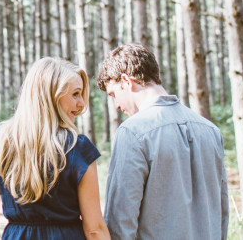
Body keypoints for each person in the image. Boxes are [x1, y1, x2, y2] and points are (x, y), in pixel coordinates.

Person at [95, 43, 229, 240]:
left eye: (114, 94)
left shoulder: (132, 132)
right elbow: (222, 212)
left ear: (126, 81)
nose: (116, 105)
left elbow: (121, 220)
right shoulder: (210, 130)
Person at [0, 57, 109, 240]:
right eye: (75, 94)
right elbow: (94, 229)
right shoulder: (78, 148)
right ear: (51, 96)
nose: (81, 104)